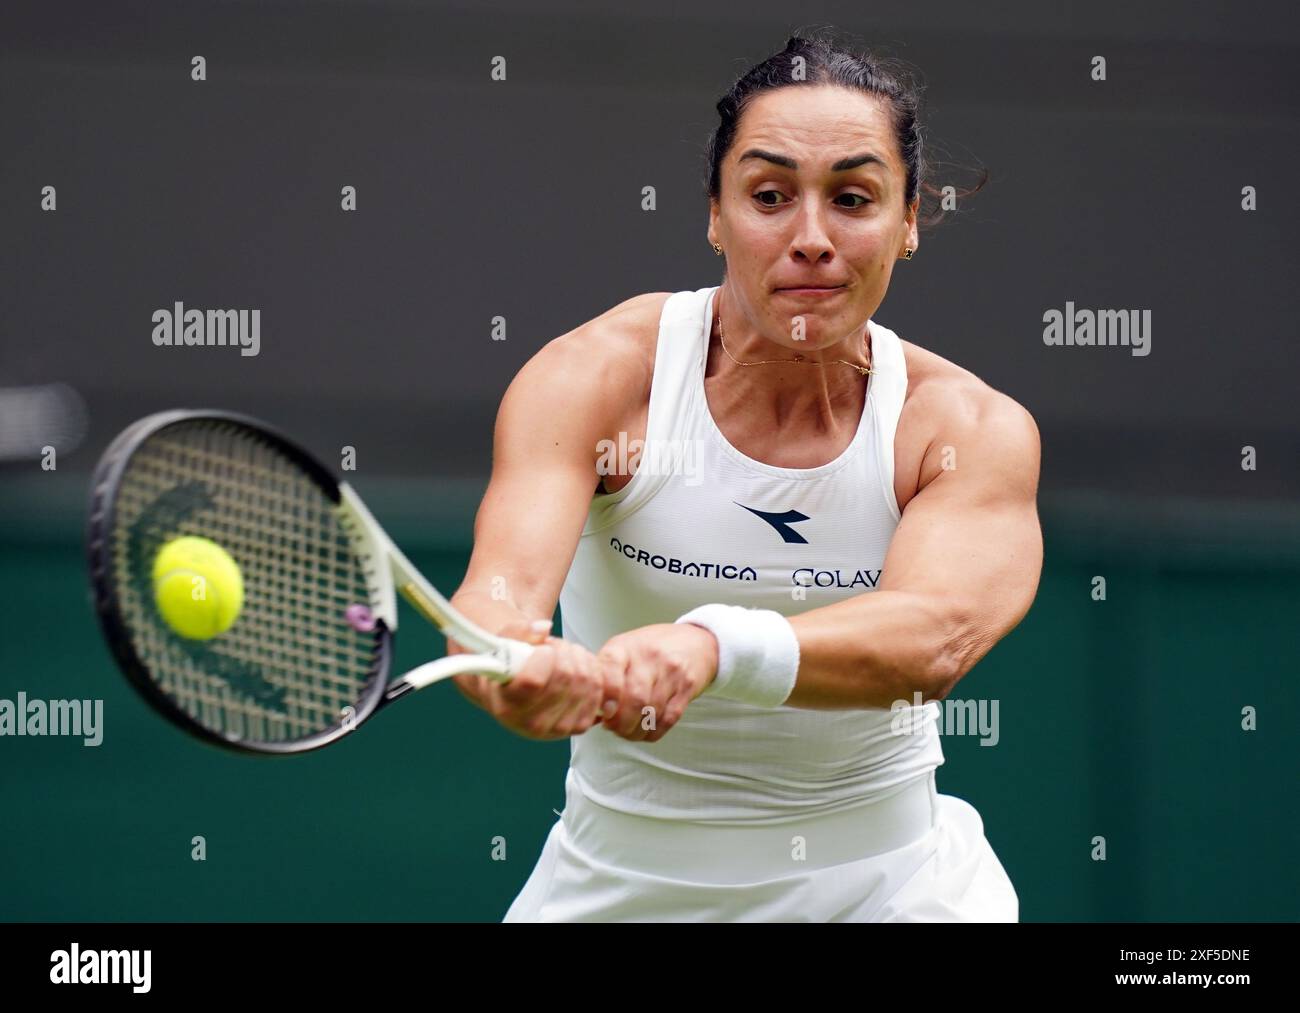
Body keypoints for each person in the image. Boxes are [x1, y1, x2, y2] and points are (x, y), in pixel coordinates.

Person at [448, 30, 1042, 922]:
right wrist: (515, 675)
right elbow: (495, 606)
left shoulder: (963, 428)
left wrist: (712, 645)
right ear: (716, 214)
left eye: (852, 197)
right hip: (617, 885)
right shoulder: (595, 379)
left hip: (894, 891)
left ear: (909, 219)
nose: (810, 239)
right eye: (769, 195)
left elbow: (935, 639)